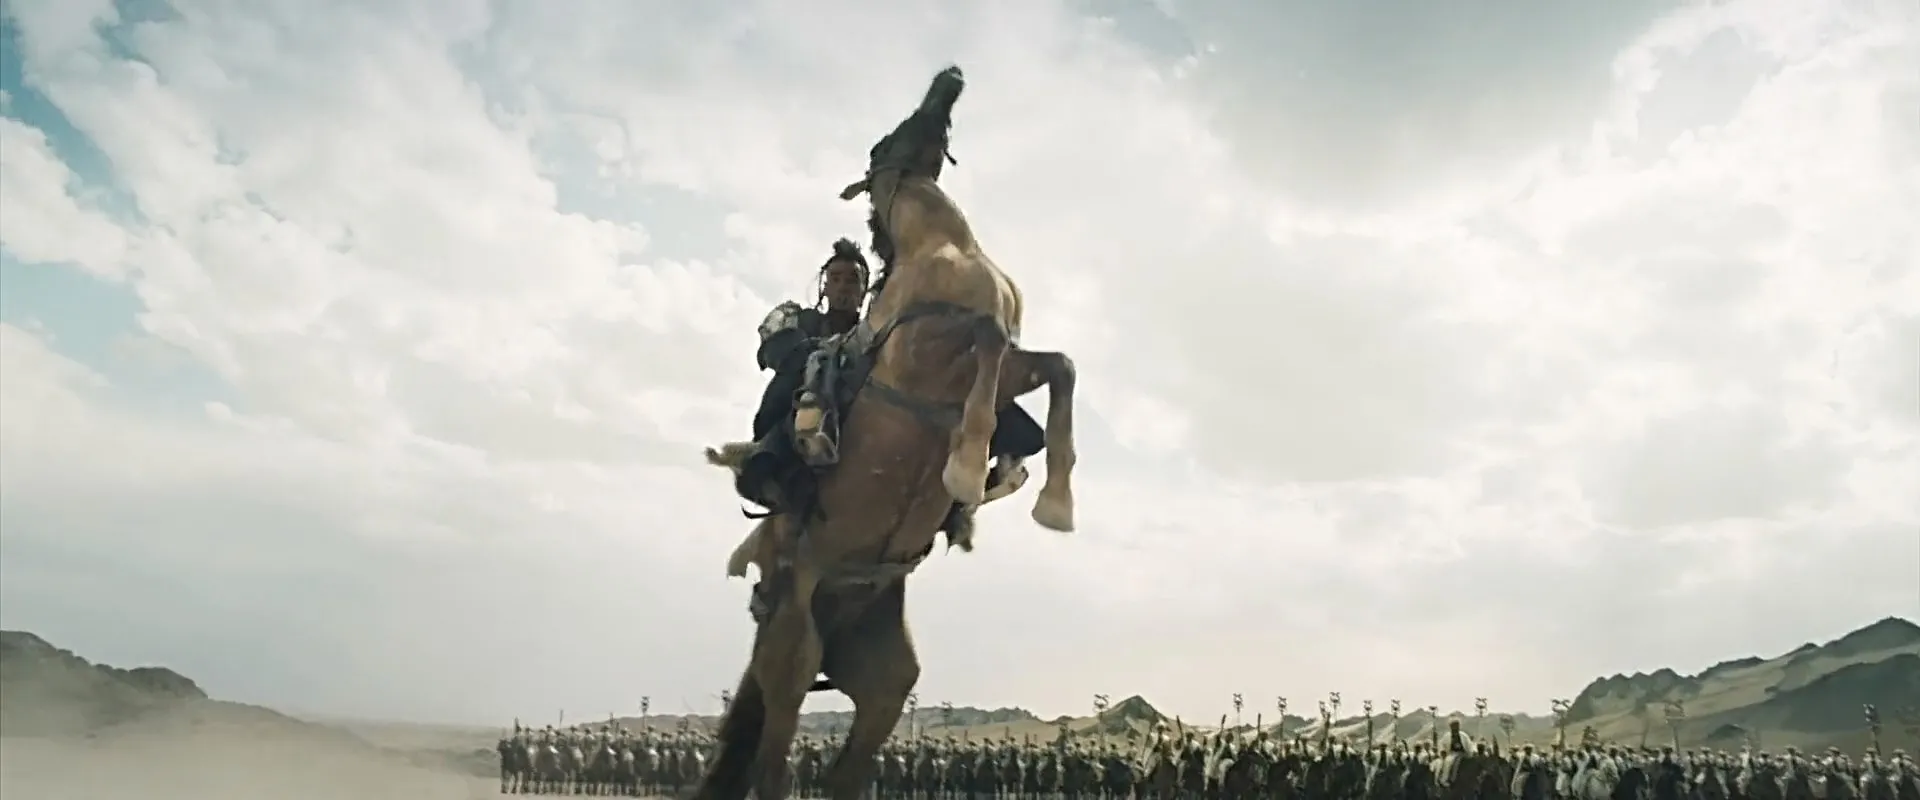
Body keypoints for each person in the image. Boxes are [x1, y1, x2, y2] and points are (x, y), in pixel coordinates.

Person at [726, 237, 1044, 541]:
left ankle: (970, 480)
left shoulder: (881, 333)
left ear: (864, 288)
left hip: (865, 399)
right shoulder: (800, 319)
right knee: (814, 371)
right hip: (806, 399)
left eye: (852, 280)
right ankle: (773, 465)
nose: (843, 287)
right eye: (836, 279)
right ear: (824, 285)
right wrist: (820, 351)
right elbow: (775, 350)